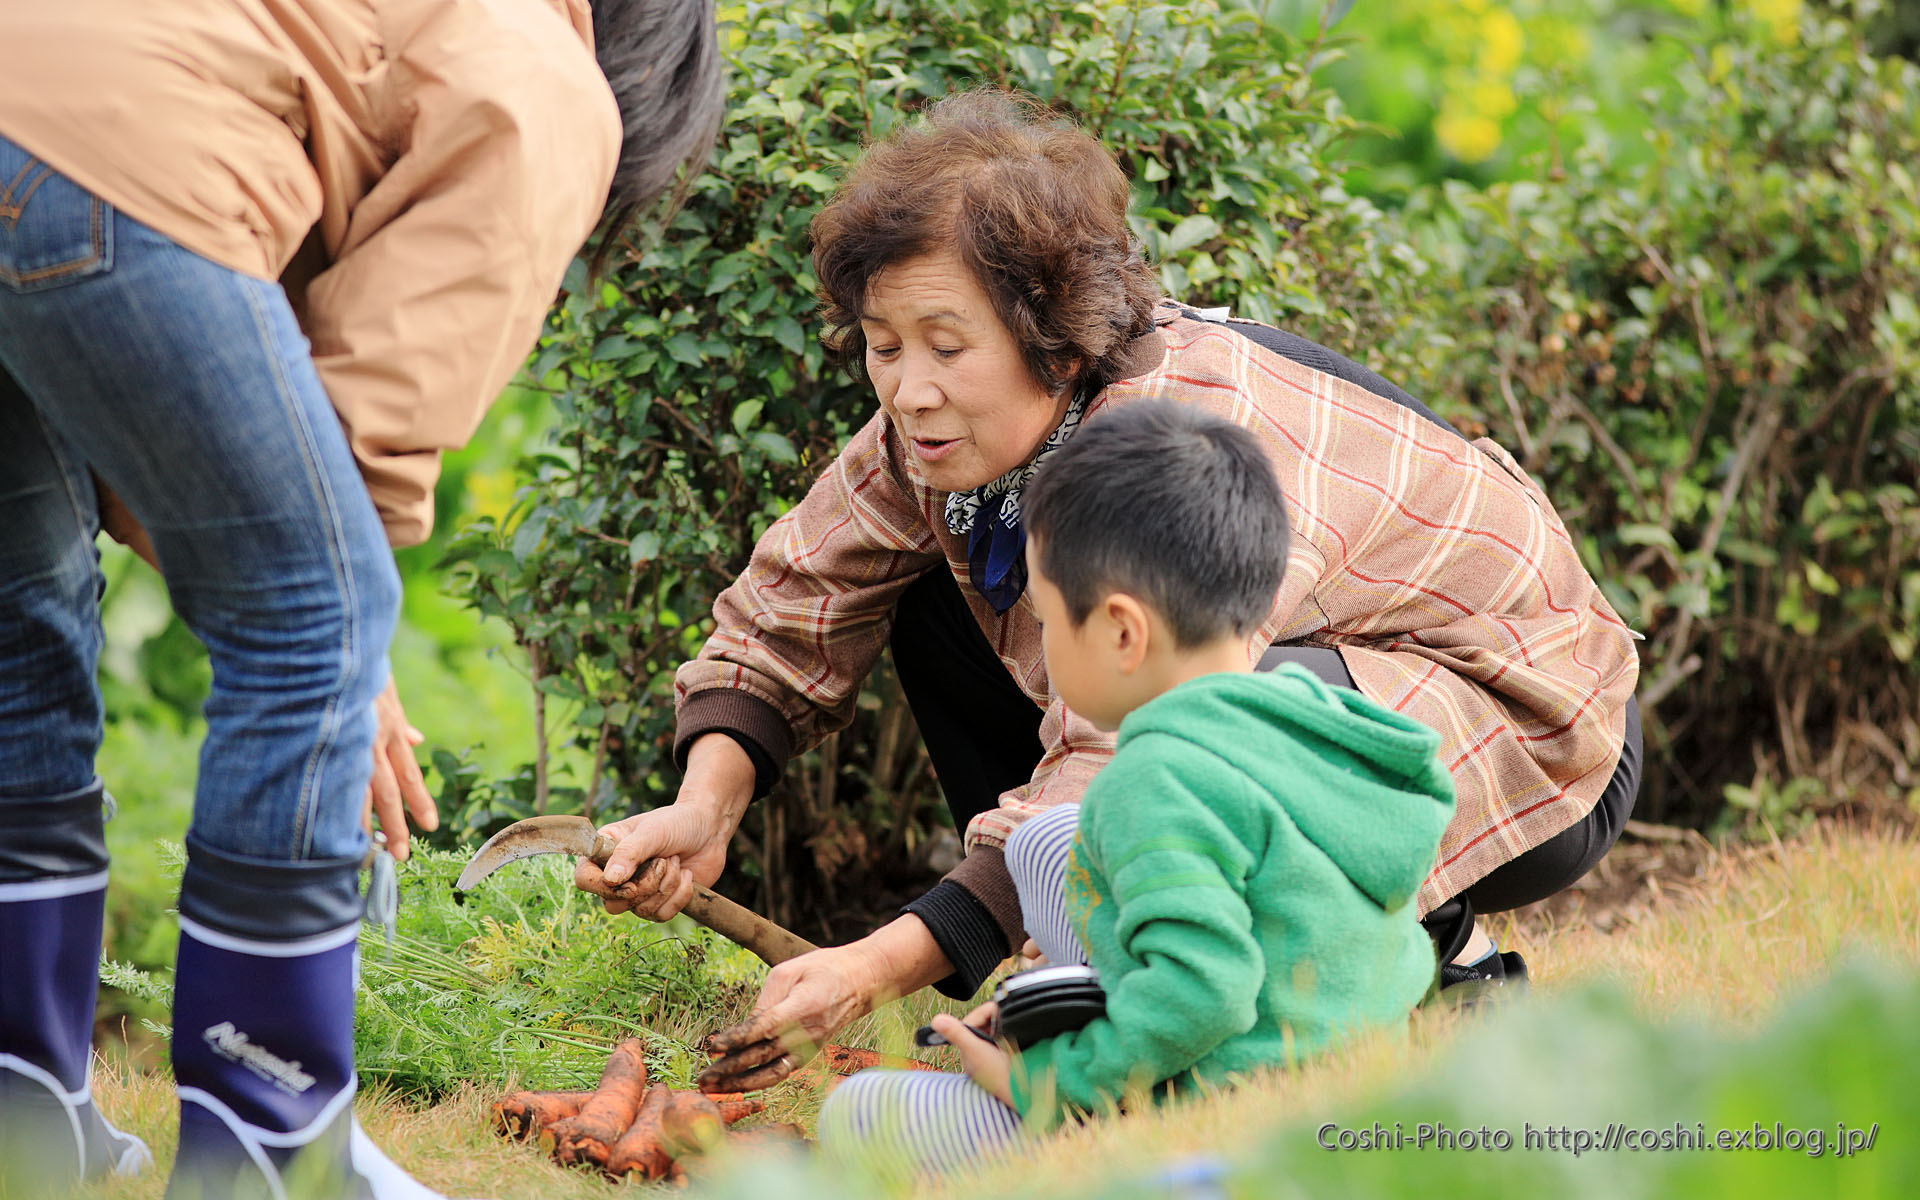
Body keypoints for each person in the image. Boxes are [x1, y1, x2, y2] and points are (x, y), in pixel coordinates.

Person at [578, 89, 1641, 1091]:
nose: (909, 386)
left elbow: (1133, 748)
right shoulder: (941, 431)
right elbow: (793, 600)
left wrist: (885, 963)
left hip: (1523, 724)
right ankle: (1094, 949)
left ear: (1048, 330)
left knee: (1223, 705)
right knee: (936, 600)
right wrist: (703, 805)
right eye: (882, 345)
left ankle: (1419, 954)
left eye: (947, 345)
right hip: (1309, 695)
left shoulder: (1171, 439)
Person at [0, 1, 721, 1196]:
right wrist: (344, 638)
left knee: (21, 616)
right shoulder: (545, 69)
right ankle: (271, 1146)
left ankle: (21, 1105)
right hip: (106, 162)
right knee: (313, 617)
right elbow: (362, 424)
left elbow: (186, 437)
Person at [815, 399, 1457, 1175]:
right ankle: (1072, 1004)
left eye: (1047, 618)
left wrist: (1047, 1082)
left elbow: (1205, 991)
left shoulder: (1157, 781)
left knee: (853, 1114)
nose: (1043, 642)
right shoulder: (1310, 715)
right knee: (1048, 840)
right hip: (1352, 1091)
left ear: (1121, 632)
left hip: (1226, 1120)